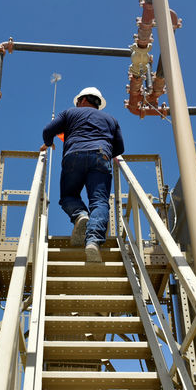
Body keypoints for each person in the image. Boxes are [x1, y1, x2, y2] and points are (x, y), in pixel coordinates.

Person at [40, 87, 124, 262]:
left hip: (74, 156)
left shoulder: (70, 113)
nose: (77, 104)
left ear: (83, 100)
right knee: (99, 201)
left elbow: (48, 131)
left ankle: (80, 215)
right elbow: (120, 148)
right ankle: (93, 240)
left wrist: (49, 143)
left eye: (78, 101)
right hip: (101, 156)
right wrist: (107, 151)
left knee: (69, 196)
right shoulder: (111, 120)